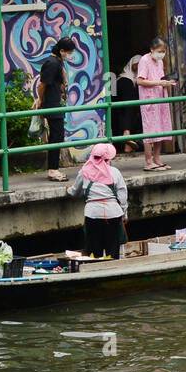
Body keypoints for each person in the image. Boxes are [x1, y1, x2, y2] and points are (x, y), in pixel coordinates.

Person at [67, 142, 128, 258]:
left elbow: (74, 191)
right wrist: (124, 214)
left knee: (94, 251)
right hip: (113, 213)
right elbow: (122, 196)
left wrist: (68, 189)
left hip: (92, 214)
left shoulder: (84, 172)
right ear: (108, 158)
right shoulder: (114, 172)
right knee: (113, 251)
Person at [37, 36, 77, 182]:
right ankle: (53, 170)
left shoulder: (57, 62)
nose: (70, 55)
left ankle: (54, 169)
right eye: (68, 52)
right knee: (56, 136)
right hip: (52, 105)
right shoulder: (52, 63)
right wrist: (40, 100)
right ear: (61, 51)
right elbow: (42, 85)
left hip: (56, 104)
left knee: (57, 136)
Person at [137, 36, 176, 172]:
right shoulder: (144, 60)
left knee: (161, 127)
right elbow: (140, 81)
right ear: (152, 49)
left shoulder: (160, 62)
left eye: (163, 51)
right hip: (149, 99)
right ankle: (148, 161)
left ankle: (157, 159)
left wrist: (167, 82)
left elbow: (160, 78)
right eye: (159, 51)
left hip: (160, 97)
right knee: (149, 129)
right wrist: (160, 83)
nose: (162, 53)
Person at [113, 54, 142, 153]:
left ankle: (127, 144)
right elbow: (128, 104)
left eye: (140, 64)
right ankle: (127, 141)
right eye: (136, 64)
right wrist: (127, 128)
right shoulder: (126, 80)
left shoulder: (129, 79)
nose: (138, 67)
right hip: (124, 112)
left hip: (122, 112)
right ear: (131, 64)